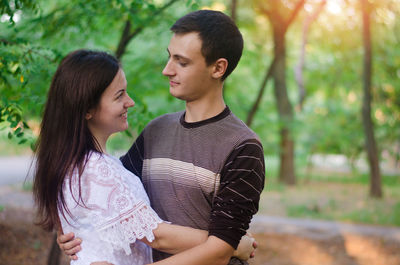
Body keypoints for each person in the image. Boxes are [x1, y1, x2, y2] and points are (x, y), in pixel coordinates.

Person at [59, 9, 265, 265]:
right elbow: (107, 195)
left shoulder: (243, 148)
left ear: (218, 68)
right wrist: (80, 233)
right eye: (169, 57)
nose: (167, 70)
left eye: (182, 62)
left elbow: (220, 250)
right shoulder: (156, 131)